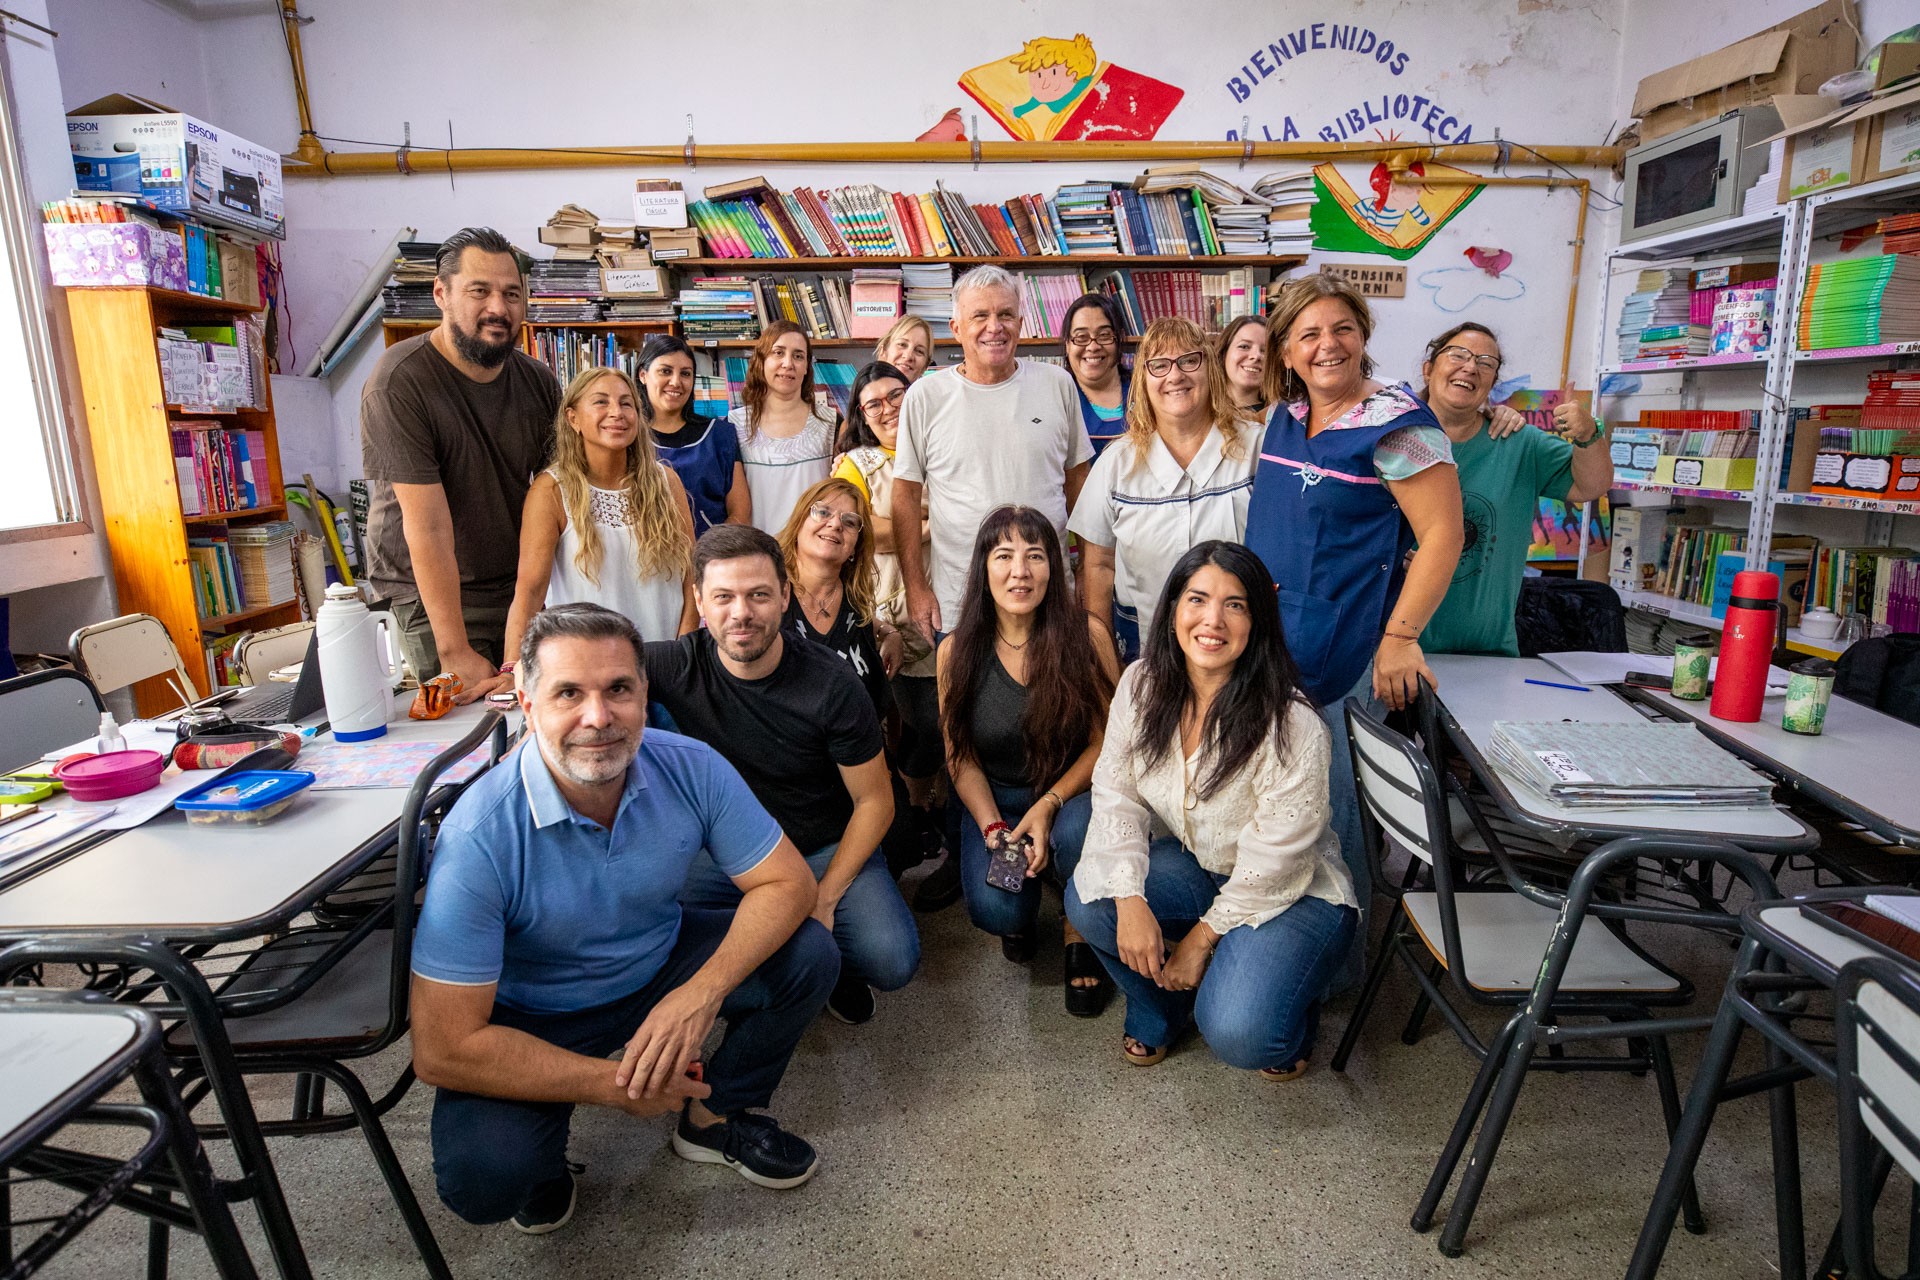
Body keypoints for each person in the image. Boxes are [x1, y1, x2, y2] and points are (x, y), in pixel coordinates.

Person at [410, 604, 837, 1233]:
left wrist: (699, 994)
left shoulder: (690, 765)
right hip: (534, 1016)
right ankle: (544, 1163)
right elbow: (442, 1049)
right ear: (526, 703)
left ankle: (716, 1116)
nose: (598, 717)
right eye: (568, 694)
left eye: (618, 690)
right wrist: (613, 1085)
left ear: (645, 694)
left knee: (809, 953)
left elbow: (788, 882)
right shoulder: (479, 835)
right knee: (486, 1180)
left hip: (658, 965)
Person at [1242, 272, 1462, 976]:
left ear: (1364, 335)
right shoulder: (1288, 413)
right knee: (1279, 817)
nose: (1327, 345)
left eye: (1342, 328)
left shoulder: (1401, 423)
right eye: (1307, 334)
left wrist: (1399, 638)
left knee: (1330, 825)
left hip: (1341, 660)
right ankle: (1277, 949)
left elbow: (1444, 536)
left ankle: (1334, 978)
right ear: (1285, 351)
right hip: (1270, 654)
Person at [1067, 542, 1357, 1076]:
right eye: (1197, 599)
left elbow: (1275, 863)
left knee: (1240, 1033)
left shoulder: (1294, 725)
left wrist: (1201, 940)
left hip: (1294, 893)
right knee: (1092, 899)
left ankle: (1290, 1007)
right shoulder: (1141, 685)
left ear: (1258, 623)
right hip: (1205, 871)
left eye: (1236, 605)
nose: (1212, 620)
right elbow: (1116, 794)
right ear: (1174, 608)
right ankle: (1163, 1007)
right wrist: (1130, 899)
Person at [645, 525, 918, 1027]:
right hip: (728, 855)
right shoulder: (674, 664)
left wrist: (824, 900)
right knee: (652, 933)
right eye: (724, 597)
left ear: (785, 596)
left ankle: (826, 963)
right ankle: (781, 969)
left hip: (822, 847)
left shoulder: (832, 683)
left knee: (892, 957)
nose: (741, 613)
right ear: (699, 601)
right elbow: (587, 666)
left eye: (759, 595)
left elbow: (876, 803)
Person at [939, 506, 1118, 1014]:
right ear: (983, 568)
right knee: (998, 911)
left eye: (1035, 556)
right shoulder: (956, 651)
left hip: (1074, 796)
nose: (1020, 571)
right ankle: (1034, 893)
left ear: (1054, 568)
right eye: (1005, 556)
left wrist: (1051, 802)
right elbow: (961, 758)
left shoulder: (1088, 636)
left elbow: (1109, 742)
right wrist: (993, 826)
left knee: (1074, 834)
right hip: (999, 803)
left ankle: (1077, 927)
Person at [362, 227, 559, 687]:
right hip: (429, 598)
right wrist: (453, 649)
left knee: (531, 719)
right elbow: (426, 526)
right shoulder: (399, 381)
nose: (498, 308)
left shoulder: (538, 383)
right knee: (461, 734)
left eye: (512, 294)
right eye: (480, 291)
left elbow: (557, 496)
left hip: (513, 588)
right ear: (441, 294)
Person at [893, 264, 1093, 648]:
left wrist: (1085, 570)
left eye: (1005, 314)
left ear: (1021, 321)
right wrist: (916, 588)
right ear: (955, 328)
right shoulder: (925, 397)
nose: (994, 327)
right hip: (962, 602)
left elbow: (1079, 482)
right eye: (980, 316)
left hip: (1047, 596)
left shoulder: (1057, 385)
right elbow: (903, 497)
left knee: (1056, 705)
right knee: (968, 707)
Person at [490, 368, 696, 700]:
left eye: (627, 403)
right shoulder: (551, 491)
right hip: (589, 682)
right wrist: (512, 667)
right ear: (573, 418)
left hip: (666, 673)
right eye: (600, 402)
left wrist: (684, 655)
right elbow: (529, 593)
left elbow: (691, 580)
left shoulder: (666, 482)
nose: (617, 413)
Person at [1416, 323, 1612, 657]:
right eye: (1458, 355)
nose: (1470, 367)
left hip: (1489, 653)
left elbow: (1591, 485)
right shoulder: (1391, 438)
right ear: (1428, 369)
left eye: (1485, 362)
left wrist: (1588, 433)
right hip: (1396, 652)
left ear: (1493, 383)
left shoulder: (1519, 443)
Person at [1069, 317, 1259, 661]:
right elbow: (1097, 566)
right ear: (1143, 379)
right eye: (1158, 365)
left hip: (1238, 649)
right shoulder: (1116, 464)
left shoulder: (1256, 450)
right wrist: (1104, 661)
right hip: (1145, 648)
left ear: (1211, 369)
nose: (1175, 376)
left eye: (1189, 360)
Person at [833, 363, 945, 874]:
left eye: (895, 395)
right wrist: (931, 521)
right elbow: (865, 533)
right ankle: (915, 808)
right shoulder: (855, 462)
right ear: (861, 413)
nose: (886, 409)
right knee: (920, 720)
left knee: (953, 717)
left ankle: (938, 809)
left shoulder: (940, 442)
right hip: (887, 607)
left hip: (950, 594)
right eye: (872, 402)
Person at [777, 476, 899, 717]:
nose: (835, 524)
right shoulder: (769, 594)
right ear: (799, 524)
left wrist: (890, 633)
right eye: (822, 512)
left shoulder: (856, 603)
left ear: (855, 547)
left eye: (850, 521)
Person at [730, 321, 837, 536]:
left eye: (798, 356)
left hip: (813, 558)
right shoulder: (734, 425)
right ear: (761, 361)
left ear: (807, 366)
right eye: (778, 353)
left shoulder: (832, 423)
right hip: (756, 556)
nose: (788, 364)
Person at [641, 334, 749, 533]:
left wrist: (708, 556)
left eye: (685, 373)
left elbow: (740, 514)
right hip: (646, 559)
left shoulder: (720, 435)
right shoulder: (629, 439)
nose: (676, 382)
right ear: (643, 375)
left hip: (712, 558)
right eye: (665, 371)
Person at [1061, 293, 1130, 457]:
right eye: (1081, 337)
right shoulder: (1057, 398)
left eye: (1104, 335)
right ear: (1067, 345)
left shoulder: (1145, 389)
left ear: (1118, 339)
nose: (1093, 346)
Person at [1216, 315, 1267, 416]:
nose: (1256, 356)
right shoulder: (1200, 414)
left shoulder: (1280, 420)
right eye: (1244, 346)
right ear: (1224, 353)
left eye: (1265, 350)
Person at [872, 315, 934, 382]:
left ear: (925, 366)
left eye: (919, 351)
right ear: (883, 350)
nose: (908, 356)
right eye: (902, 345)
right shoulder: (863, 390)